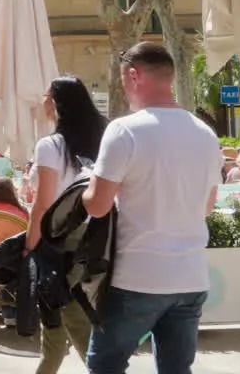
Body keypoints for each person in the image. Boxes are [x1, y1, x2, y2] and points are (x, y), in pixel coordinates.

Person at [82, 43, 221, 373]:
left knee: (105, 365)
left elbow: (98, 207)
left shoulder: (124, 130)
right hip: (190, 277)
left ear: (134, 74)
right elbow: (207, 207)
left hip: (138, 276)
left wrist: (86, 185)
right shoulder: (205, 133)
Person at [24, 75, 102, 374]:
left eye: (46, 95)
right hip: (95, 237)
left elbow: (42, 205)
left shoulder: (51, 146)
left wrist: (29, 246)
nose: (42, 101)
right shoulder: (102, 137)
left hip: (58, 242)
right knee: (55, 322)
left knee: (73, 321)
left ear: (55, 103)